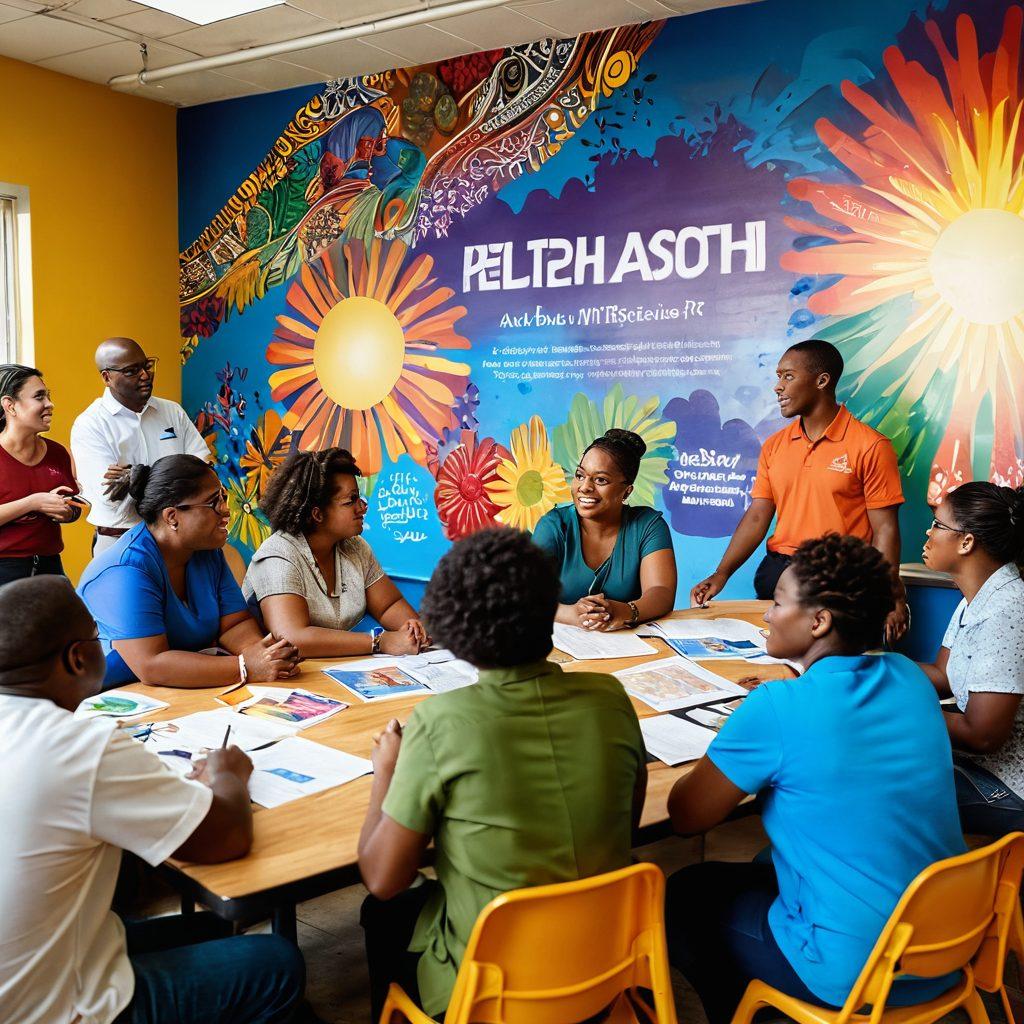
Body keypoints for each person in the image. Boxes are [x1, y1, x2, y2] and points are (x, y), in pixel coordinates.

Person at [666, 534, 964, 1024]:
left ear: (818, 621)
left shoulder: (777, 707)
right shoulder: (910, 677)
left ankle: (755, 1014)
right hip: (945, 945)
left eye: (777, 602)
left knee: (686, 896)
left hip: (854, 970)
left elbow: (687, 816)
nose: (766, 614)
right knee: (766, 865)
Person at [358, 528, 647, 1022]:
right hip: (605, 969)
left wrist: (387, 769)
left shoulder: (440, 723)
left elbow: (382, 879)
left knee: (382, 912)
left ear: (455, 626)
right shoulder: (611, 699)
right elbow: (628, 822)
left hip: (491, 994)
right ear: (550, 613)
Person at [0, 575, 305, 1024]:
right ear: (77, 657)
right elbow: (226, 838)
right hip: (49, 1010)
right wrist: (228, 773)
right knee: (277, 963)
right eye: (97, 639)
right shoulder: (79, 744)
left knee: (211, 927)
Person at [689, 340, 909, 643]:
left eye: (788, 376)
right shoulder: (775, 446)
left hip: (838, 580)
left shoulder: (871, 446)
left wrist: (892, 597)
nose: (777, 387)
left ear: (822, 381)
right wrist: (722, 573)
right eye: (778, 377)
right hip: (778, 574)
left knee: (829, 672)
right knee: (771, 667)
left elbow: (885, 530)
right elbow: (757, 516)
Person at [78, 454, 300, 688]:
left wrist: (264, 654)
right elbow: (152, 665)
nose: (226, 510)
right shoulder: (125, 570)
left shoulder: (205, 551)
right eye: (213, 503)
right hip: (104, 697)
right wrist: (245, 667)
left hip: (174, 691)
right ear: (172, 517)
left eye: (223, 497)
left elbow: (233, 624)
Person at [244, 448, 428, 657]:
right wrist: (379, 642)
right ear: (317, 514)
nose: (362, 507)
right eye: (350, 501)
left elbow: (387, 606)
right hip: (278, 680)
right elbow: (291, 638)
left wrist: (413, 631)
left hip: (327, 672)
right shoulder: (278, 557)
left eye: (359, 499)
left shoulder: (355, 547)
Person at [918, 482, 1024, 835]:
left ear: (966, 542)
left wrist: (896, 708)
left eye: (937, 524)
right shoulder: (974, 598)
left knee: (873, 781)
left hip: (1007, 787)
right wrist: (868, 667)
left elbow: (982, 736)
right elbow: (942, 674)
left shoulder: (1008, 609)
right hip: (978, 766)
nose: (928, 533)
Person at [71, 338, 209, 556]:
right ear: (107, 377)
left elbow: (202, 470)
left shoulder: (172, 411)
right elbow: (111, 497)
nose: (145, 375)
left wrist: (136, 476)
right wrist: (176, 475)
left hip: (178, 537)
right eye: (131, 371)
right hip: (121, 542)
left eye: (147, 365)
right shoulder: (90, 424)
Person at [532, 428, 676, 631]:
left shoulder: (648, 526)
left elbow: (661, 591)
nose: (585, 487)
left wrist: (625, 611)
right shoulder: (554, 526)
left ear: (626, 491)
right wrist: (572, 614)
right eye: (580, 475)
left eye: (600, 480)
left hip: (630, 648)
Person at [0, 363, 82, 586]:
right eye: (39, 397)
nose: (50, 404)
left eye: (48, 396)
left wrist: (67, 512)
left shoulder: (58, 453)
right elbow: (36, 502)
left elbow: (74, 505)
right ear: (10, 405)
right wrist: (33, 502)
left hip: (51, 567)